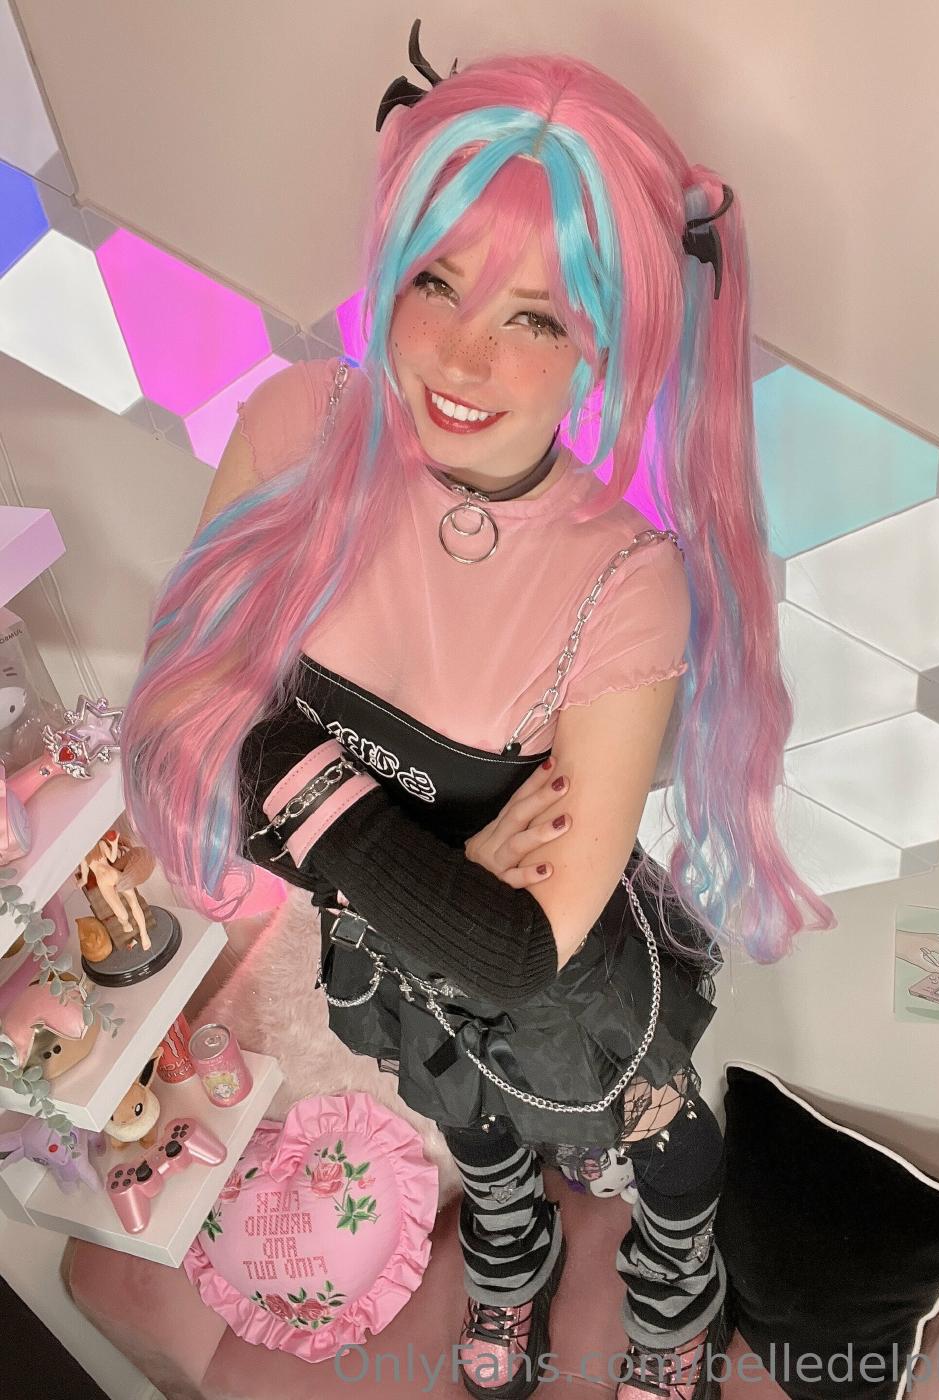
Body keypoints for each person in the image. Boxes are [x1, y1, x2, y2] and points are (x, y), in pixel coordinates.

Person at [122, 27, 836, 1400]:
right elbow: (174, 750)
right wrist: (430, 869)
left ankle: (674, 1296)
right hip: (389, 955)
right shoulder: (291, 430)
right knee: (461, 1112)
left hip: (565, 987)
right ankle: (510, 1254)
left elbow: (514, 954)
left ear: (601, 347)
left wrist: (286, 768)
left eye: (535, 318)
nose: (461, 355)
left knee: (657, 1133)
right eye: (436, 283)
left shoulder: (625, 581)